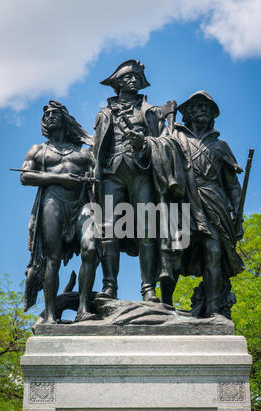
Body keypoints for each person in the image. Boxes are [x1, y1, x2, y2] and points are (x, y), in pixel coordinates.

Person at [93, 59, 177, 302]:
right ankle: (109, 286)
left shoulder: (149, 112)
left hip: (141, 171)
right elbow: (96, 148)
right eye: (129, 77)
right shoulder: (105, 113)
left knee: (147, 230)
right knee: (109, 230)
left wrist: (146, 144)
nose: (134, 81)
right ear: (118, 83)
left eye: (137, 78)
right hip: (111, 173)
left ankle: (148, 288)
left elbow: (165, 141)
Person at [164, 90, 244, 317]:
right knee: (175, 252)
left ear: (212, 116)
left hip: (214, 200)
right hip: (182, 199)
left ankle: (213, 310)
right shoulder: (174, 138)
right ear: (186, 113)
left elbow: (232, 186)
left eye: (206, 108)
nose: (202, 110)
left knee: (214, 252)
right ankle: (165, 305)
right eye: (196, 106)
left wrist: (238, 211)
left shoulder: (221, 146)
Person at [20, 100, 98, 323]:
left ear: (65, 118)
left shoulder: (85, 154)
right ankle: (51, 314)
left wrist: (89, 180)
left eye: (55, 113)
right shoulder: (38, 150)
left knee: (91, 248)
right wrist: (58, 178)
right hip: (53, 201)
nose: (50, 117)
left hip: (82, 203)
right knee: (51, 258)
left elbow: (97, 180)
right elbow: (25, 177)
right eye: (47, 115)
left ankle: (83, 309)